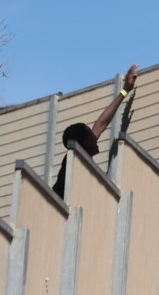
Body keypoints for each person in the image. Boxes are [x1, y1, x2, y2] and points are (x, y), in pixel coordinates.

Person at [52, 64, 138, 198]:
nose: (95, 133)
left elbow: (101, 124)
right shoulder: (75, 165)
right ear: (86, 142)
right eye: (91, 134)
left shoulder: (80, 153)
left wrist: (125, 90)